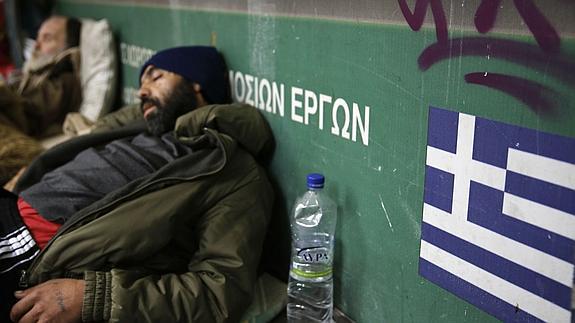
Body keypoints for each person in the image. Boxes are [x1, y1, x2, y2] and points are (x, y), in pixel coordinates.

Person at [2, 46, 274, 322]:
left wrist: (94, 298)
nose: (142, 92)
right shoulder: (136, 128)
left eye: (156, 77)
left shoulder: (231, 169)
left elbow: (218, 292)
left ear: (197, 83)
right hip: (11, 208)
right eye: (141, 83)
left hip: (37, 255)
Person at [0, 15, 82, 185]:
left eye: (47, 38)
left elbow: (31, 112)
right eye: (37, 38)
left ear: (67, 46)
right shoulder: (32, 73)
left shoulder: (64, 81)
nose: (36, 45)